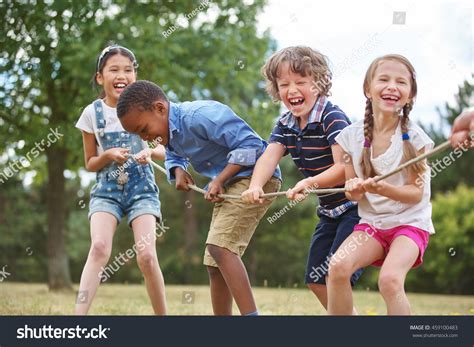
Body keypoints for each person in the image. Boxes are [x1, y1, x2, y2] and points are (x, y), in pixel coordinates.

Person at [116, 80, 281, 316]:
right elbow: (174, 152)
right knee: (214, 263)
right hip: (230, 184)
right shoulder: (169, 132)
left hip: (255, 178)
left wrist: (219, 179)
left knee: (220, 248)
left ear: (160, 108)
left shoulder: (201, 116)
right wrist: (178, 170)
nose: (146, 137)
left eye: (144, 129)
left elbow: (252, 145)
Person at [241, 46, 362, 312]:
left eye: (301, 82)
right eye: (284, 84)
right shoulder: (285, 124)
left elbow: (344, 167)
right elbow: (269, 158)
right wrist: (255, 185)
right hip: (329, 211)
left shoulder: (332, 117)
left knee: (335, 273)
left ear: (318, 84)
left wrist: (308, 183)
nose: (292, 90)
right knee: (316, 280)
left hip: (356, 209)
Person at [327, 54, 435, 315]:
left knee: (389, 280)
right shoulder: (348, 138)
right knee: (337, 268)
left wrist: (381, 189)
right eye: (383, 79)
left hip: (410, 224)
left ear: (410, 95)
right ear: (368, 89)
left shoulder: (417, 140)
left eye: (401, 82)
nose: (392, 86)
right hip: (372, 224)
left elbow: (415, 194)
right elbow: (352, 190)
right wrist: (353, 189)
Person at [75, 45, 167, 315]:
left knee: (147, 256)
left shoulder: (149, 108)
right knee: (100, 248)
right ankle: (76, 320)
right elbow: (90, 163)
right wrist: (108, 156)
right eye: (114, 69)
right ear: (100, 77)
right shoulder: (91, 114)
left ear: (135, 76)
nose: (122, 75)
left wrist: (149, 151)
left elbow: (165, 149)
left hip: (143, 191)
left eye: (128, 70)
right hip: (107, 191)